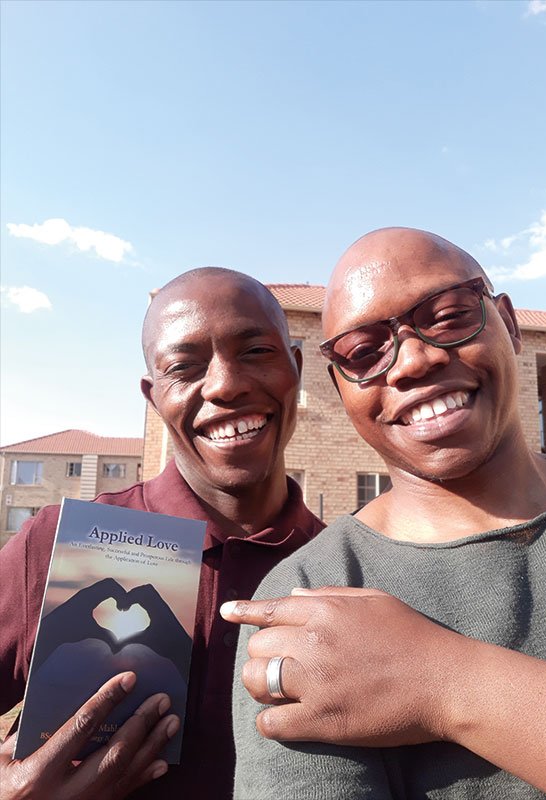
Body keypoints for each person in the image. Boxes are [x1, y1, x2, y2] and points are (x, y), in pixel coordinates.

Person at [224, 228, 546, 800]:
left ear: (509, 323)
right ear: (341, 390)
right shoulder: (312, 591)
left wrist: (444, 681)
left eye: (448, 317)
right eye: (363, 352)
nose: (414, 361)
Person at [0, 267, 324, 799]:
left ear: (297, 366)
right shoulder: (56, 544)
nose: (226, 385)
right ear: (154, 398)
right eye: (184, 367)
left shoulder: (344, 568)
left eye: (256, 352)